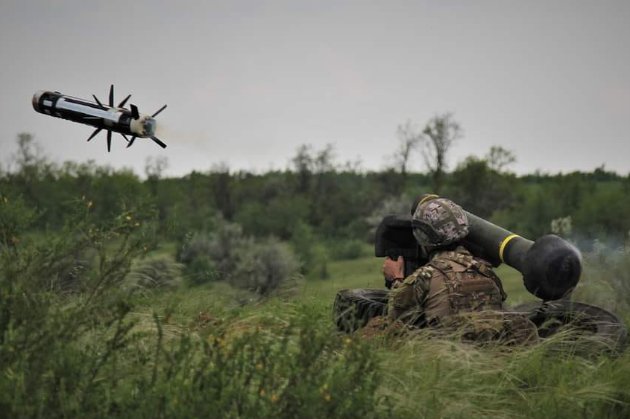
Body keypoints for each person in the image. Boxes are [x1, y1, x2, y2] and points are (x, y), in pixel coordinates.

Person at [381, 197, 537, 343]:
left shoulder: (425, 276)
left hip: (446, 361)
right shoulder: (485, 271)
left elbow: (396, 318)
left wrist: (396, 278)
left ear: (423, 236)